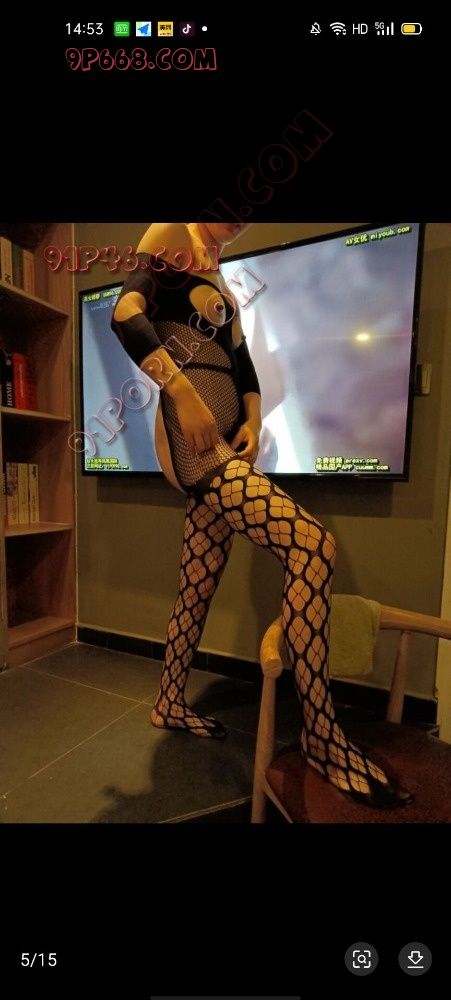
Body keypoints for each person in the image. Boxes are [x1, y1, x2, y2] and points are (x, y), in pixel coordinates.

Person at [112, 221, 413, 809]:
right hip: (198, 444)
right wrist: (182, 394)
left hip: (227, 441)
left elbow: (242, 362)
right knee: (311, 545)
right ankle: (321, 735)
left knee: (198, 582)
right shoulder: (171, 231)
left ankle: (168, 702)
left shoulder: (217, 270)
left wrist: (251, 419)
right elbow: (125, 315)